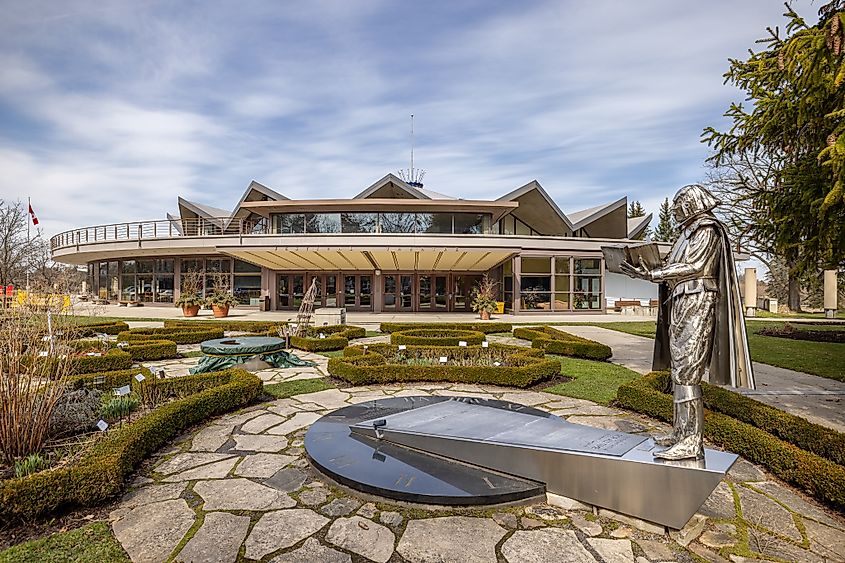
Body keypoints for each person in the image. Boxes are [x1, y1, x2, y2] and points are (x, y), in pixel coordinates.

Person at [620, 184, 754, 460]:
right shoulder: (686, 233)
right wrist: (646, 270)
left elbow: (694, 266)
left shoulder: (707, 229)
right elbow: (673, 266)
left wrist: (655, 273)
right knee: (679, 370)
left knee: (687, 371)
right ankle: (681, 433)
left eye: (679, 205)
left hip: (697, 300)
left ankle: (692, 441)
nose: (675, 211)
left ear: (691, 204)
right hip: (682, 301)